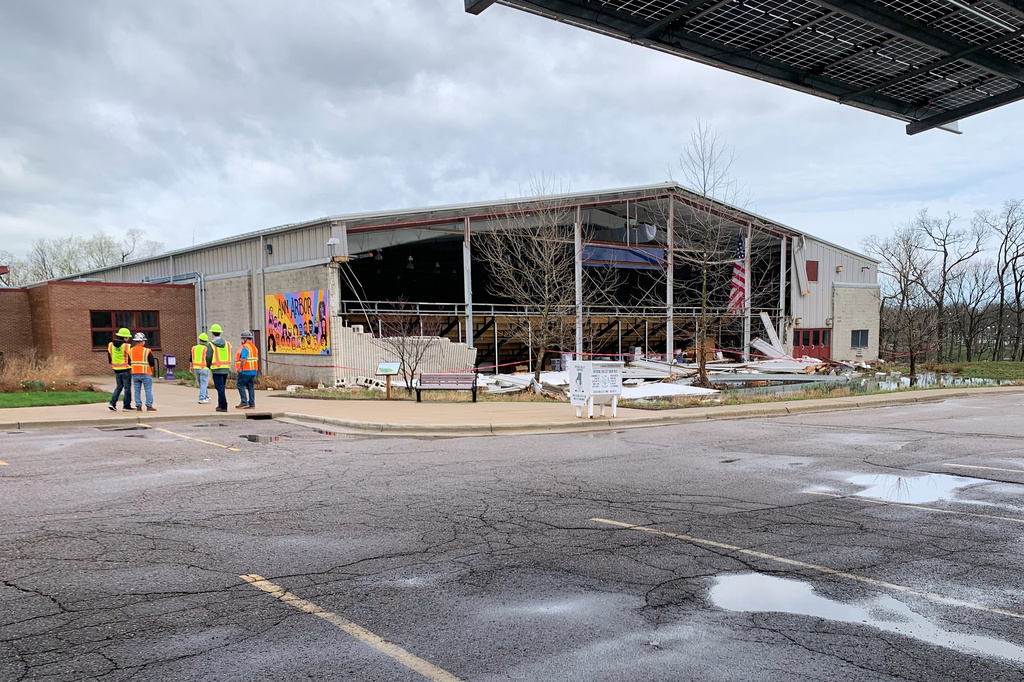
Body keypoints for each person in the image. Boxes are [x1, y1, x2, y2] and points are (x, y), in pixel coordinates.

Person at [205, 323, 232, 412]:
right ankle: (220, 405)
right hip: (225, 369)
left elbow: (208, 357)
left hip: (216, 369)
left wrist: (208, 366)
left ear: (212, 333)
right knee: (222, 387)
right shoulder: (227, 344)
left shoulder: (211, 345)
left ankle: (223, 405)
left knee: (219, 388)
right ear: (220, 333)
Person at [128, 332, 157, 412]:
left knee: (137, 390)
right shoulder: (147, 351)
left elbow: (129, 362)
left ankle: (138, 406)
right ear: (142, 341)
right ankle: (149, 405)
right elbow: (152, 362)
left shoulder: (131, 350)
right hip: (145, 373)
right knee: (148, 390)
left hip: (135, 373)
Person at [107, 327, 133, 411]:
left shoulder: (110, 345)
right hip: (126, 369)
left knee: (118, 387)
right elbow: (130, 358)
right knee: (127, 388)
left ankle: (112, 403)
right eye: (127, 337)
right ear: (124, 337)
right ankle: (126, 405)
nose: (128, 339)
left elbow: (109, 357)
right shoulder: (127, 346)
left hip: (116, 369)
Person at [235, 330, 259, 409]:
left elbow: (243, 358)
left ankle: (244, 401)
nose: (241, 340)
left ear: (245, 338)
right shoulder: (254, 347)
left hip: (245, 371)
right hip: (253, 371)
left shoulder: (245, 347)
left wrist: (240, 368)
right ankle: (252, 403)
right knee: (250, 387)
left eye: (242, 338)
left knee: (240, 385)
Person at [191, 332, 211, 404]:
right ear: (206, 341)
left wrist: (191, 367)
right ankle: (201, 398)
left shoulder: (194, 348)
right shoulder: (206, 349)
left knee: (201, 383)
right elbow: (209, 358)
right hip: (204, 368)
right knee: (204, 384)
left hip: (196, 367)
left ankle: (206, 396)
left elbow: (191, 358)